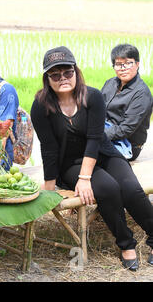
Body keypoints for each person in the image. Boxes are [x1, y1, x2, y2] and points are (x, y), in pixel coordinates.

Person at [30, 46, 153, 271]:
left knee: (129, 187)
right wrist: (50, 185)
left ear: (76, 71)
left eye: (67, 72)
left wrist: (86, 177)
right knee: (107, 188)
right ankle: (126, 243)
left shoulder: (93, 96)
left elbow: (95, 139)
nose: (62, 78)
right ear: (47, 78)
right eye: (55, 75)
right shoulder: (41, 105)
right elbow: (47, 148)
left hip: (103, 153)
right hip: (70, 164)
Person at [101, 44, 153, 161]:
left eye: (128, 63)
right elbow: (97, 108)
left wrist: (97, 135)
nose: (123, 68)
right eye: (118, 64)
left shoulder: (142, 93)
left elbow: (125, 130)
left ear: (137, 64)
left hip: (127, 144)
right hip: (105, 132)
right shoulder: (110, 83)